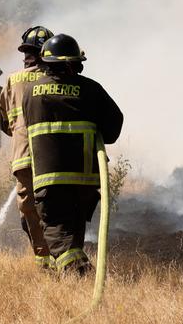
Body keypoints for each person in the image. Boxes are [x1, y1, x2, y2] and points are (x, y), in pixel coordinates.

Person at [22, 34, 123, 274]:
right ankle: (76, 271)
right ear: (72, 63)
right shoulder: (91, 89)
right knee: (73, 229)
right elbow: (113, 127)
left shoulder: (30, 91)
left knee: (56, 228)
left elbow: (26, 123)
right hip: (84, 178)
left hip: (49, 177)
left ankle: (78, 271)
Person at [0, 26, 53, 267]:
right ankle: (60, 254)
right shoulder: (55, 79)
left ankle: (43, 260)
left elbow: (3, 122)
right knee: (54, 206)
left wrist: (20, 133)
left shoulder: (13, 80)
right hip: (53, 156)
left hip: (23, 156)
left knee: (29, 209)